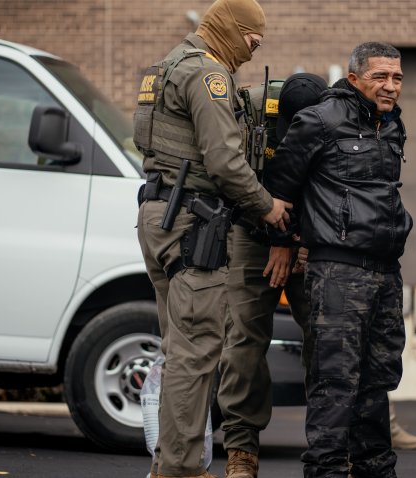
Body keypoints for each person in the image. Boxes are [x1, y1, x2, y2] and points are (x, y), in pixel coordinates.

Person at [132, 1, 289, 477]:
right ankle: (179, 470)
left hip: (159, 215)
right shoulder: (208, 76)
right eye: (252, 41)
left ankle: (168, 464)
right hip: (193, 226)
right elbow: (224, 161)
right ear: (231, 29)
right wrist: (268, 206)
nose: (251, 51)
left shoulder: (164, 68)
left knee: (179, 350)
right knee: (197, 354)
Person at [265, 41, 411, 478]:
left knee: (378, 382)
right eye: (380, 77)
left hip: (386, 272)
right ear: (354, 79)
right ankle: (326, 472)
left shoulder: (392, 125)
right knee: (334, 384)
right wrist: (287, 242)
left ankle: (375, 471)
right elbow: (278, 191)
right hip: (338, 273)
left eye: (397, 77)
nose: (390, 86)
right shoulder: (319, 121)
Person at [217, 72, 328, 478]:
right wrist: (278, 236)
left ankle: (331, 445)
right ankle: (241, 448)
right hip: (252, 229)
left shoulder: (335, 117)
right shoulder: (248, 114)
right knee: (244, 337)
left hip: (311, 234)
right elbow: (235, 181)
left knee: (327, 336)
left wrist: (297, 241)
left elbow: (330, 190)